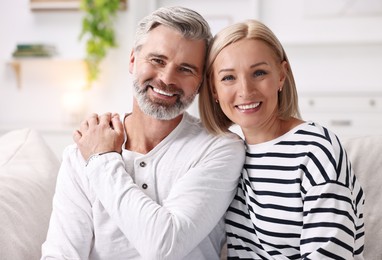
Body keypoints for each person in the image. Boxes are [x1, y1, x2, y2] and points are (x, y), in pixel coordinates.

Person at [41, 6, 245, 260]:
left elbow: (165, 246)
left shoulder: (221, 148)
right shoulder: (81, 151)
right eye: (157, 60)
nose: (167, 78)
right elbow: (62, 254)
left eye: (186, 69)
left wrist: (102, 160)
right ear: (132, 60)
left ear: (201, 81)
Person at [199, 19, 365, 259]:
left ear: (281, 76)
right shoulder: (226, 153)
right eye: (228, 78)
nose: (245, 90)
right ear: (214, 90)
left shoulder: (316, 149)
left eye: (259, 73)